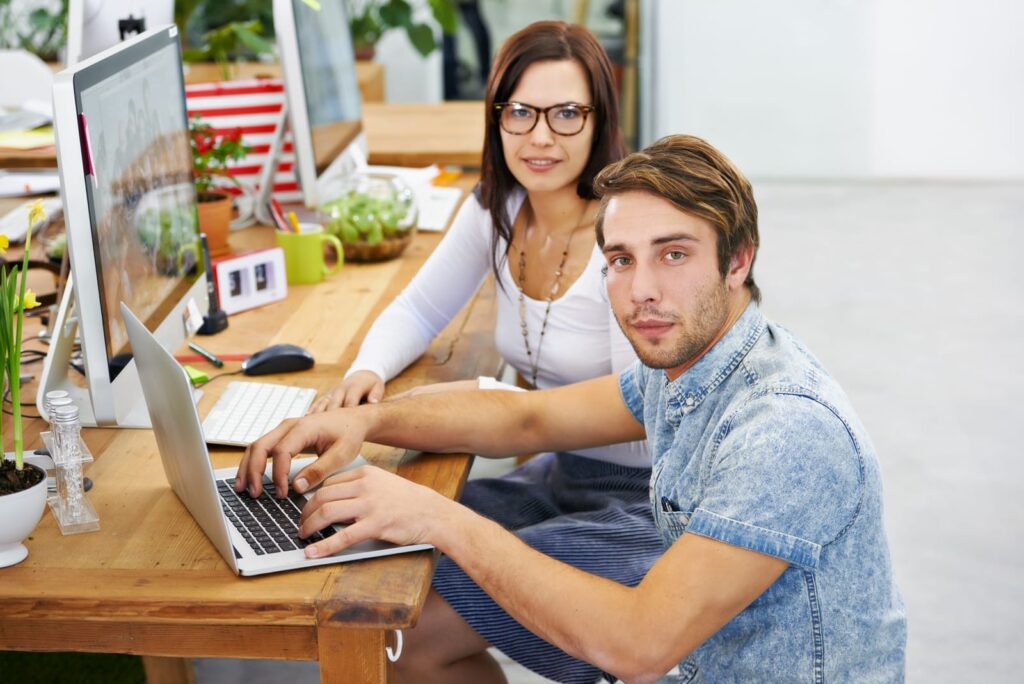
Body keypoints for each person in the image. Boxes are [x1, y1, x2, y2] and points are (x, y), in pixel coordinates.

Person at [238, 134, 907, 682]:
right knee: (406, 636)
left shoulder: (785, 431)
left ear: (738, 261)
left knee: (423, 587)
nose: (641, 290)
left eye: (674, 254)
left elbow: (640, 646)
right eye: (621, 260)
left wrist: (438, 517)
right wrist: (366, 419)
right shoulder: (690, 365)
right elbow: (527, 418)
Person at [309, 21, 662, 683]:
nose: (540, 137)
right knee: (372, 551)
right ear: (497, 116)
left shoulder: (625, 235)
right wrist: (365, 374)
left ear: (599, 120)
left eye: (566, 114)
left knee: (411, 636)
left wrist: (480, 409)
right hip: (565, 475)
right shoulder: (500, 207)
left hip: (647, 501)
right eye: (521, 112)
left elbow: (634, 411)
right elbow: (419, 308)